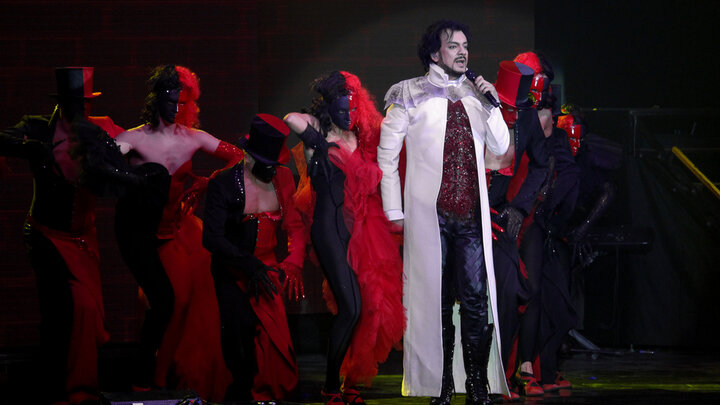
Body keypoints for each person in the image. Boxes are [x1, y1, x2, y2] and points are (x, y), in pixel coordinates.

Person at [378, 20, 511, 405]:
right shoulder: (409, 93)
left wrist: (493, 105)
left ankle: (477, 384)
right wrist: (393, 209)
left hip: (469, 219)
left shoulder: (476, 95)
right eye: (453, 46)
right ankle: (441, 386)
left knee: (475, 301)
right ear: (435, 53)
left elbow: (500, 148)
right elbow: (386, 157)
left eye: (465, 45)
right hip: (429, 218)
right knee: (434, 304)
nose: (462, 52)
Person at [0, 67, 128, 405]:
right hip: (46, 236)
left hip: (83, 239)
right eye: (76, 103)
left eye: (86, 103)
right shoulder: (39, 127)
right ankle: (65, 392)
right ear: (61, 103)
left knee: (90, 315)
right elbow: (4, 138)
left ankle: (79, 388)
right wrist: (30, 146)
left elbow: (135, 144)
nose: (82, 110)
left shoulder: (100, 129)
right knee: (65, 311)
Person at [114, 64, 240, 401]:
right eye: (171, 101)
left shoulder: (193, 139)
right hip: (141, 235)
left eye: (182, 103)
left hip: (173, 233)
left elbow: (238, 158)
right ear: (157, 100)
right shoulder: (134, 138)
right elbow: (108, 161)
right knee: (163, 302)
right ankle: (146, 379)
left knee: (179, 302)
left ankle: (158, 378)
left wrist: (206, 183)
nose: (176, 108)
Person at [285, 70, 405, 405]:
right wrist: (321, 141)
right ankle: (329, 387)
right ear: (328, 107)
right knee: (350, 307)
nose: (349, 114)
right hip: (329, 230)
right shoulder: (319, 132)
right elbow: (290, 118)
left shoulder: (361, 136)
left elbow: (392, 130)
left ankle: (350, 382)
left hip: (362, 232)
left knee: (370, 309)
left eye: (353, 107)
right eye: (342, 108)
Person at [202, 113, 306, 402]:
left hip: (267, 269)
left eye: (275, 164)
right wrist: (248, 265)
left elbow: (296, 227)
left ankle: (266, 395)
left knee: (275, 344)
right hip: (232, 269)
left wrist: (294, 261)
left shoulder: (283, 178)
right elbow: (212, 238)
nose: (272, 171)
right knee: (239, 338)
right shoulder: (224, 183)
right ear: (250, 156)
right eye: (266, 164)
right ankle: (242, 393)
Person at [515, 52, 580, 394]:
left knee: (535, 292)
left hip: (534, 215)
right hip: (505, 208)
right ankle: (509, 370)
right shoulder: (505, 110)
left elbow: (559, 170)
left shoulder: (546, 121)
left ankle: (532, 366)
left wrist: (546, 207)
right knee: (508, 292)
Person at [484, 59, 549, 399]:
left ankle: (499, 374)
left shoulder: (527, 118)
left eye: (515, 108)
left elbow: (541, 165)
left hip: (499, 212)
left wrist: (520, 206)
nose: (510, 113)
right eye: (506, 107)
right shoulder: (477, 107)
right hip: (464, 211)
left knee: (511, 290)